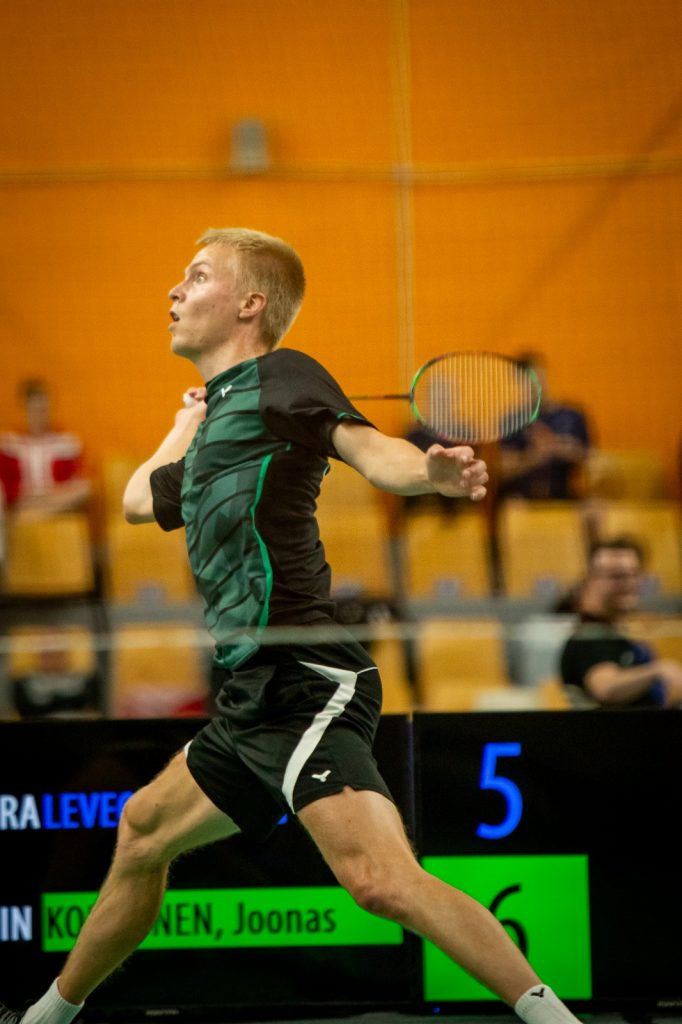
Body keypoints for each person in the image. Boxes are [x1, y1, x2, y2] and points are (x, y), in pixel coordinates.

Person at [0, 228, 581, 1024]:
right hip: (251, 694)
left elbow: (373, 453)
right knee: (141, 830)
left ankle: (553, 1017)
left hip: (306, 677)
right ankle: (46, 1019)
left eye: (197, 276)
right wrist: (189, 420)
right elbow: (137, 502)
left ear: (250, 304)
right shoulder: (216, 430)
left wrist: (432, 473)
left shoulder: (285, 375)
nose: (174, 290)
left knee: (379, 881)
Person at [560, 536, 682, 708]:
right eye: (617, 576)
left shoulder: (614, 632)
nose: (629, 583)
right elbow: (605, 688)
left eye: (635, 574)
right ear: (591, 580)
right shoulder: (590, 635)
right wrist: (658, 670)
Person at [498, 352, 590, 501]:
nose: (536, 385)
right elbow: (501, 469)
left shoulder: (572, 416)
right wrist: (533, 456)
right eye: (527, 380)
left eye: (540, 377)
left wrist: (562, 449)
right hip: (521, 500)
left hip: (565, 498)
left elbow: (592, 460)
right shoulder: (511, 421)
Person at [0, 379, 91, 517]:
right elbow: (6, 488)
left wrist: (52, 496)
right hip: (24, 501)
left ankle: (39, 514)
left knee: (87, 488)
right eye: (34, 410)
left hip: (56, 499)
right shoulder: (10, 444)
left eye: (43, 409)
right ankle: (42, 513)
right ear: (24, 409)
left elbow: (78, 481)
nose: (39, 415)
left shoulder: (67, 442)